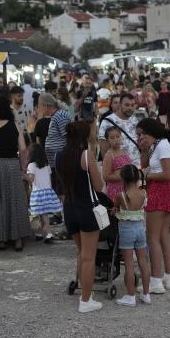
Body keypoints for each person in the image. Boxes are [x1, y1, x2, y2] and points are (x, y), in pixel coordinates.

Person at [57, 120, 105, 313]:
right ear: (85, 136)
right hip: (87, 208)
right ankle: (86, 300)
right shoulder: (87, 155)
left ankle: (85, 292)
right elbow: (99, 186)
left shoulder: (60, 156)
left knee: (81, 252)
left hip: (69, 207)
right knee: (88, 257)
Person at [0, 95, 32, 250]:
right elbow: (23, 149)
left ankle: (0, 239)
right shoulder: (15, 125)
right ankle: (17, 240)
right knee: (15, 201)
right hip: (12, 165)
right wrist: (23, 168)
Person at [137, 117, 170, 294]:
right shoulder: (157, 145)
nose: (140, 138)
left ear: (150, 132)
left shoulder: (162, 146)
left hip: (160, 192)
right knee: (163, 236)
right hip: (165, 192)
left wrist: (146, 177)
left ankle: (155, 280)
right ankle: (168, 277)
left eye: (141, 135)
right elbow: (145, 164)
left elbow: (168, 174)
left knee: (152, 237)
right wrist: (144, 149)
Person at [114, 164, 152, 307]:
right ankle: (146, 294)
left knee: (129, 264)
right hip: (140, 230)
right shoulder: (143, 193)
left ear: (122, 179)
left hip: (126, 231)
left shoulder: (121, 196)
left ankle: (130, 296)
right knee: (143, 262)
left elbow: (115, 209)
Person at [25, 143, 62, 242]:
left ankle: (48, 231)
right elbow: (49, 179)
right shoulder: (47, 165)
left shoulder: (31, 165)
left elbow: (31, 179)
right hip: (48, 192)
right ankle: (39, 233)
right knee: (43, 215)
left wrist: (24, 175)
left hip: (38, 194)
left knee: (43, 215)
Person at [98, 92, 141, 166]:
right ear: (120, 105)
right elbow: (104, 150)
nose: (130, 108)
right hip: (120, 169)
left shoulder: (135, 120)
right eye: (127, 105)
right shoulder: (107, 122)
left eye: (132, 105)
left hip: (138, 167)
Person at [42, 93, 73, 172]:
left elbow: (68, 137)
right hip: (57, 160)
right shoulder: (57, 115)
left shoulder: (60, 116)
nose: (39, 109)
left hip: (61, 161)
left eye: (40, 106)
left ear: (46, 105)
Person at [102, 127, 132, 202]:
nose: (116, 139)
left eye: (118, 136)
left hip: (127, 187)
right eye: (112, 138)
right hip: (115, 190)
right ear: (107, 140)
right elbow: (106, 177)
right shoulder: (109, 155)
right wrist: (122, 176)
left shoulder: (124, 151)